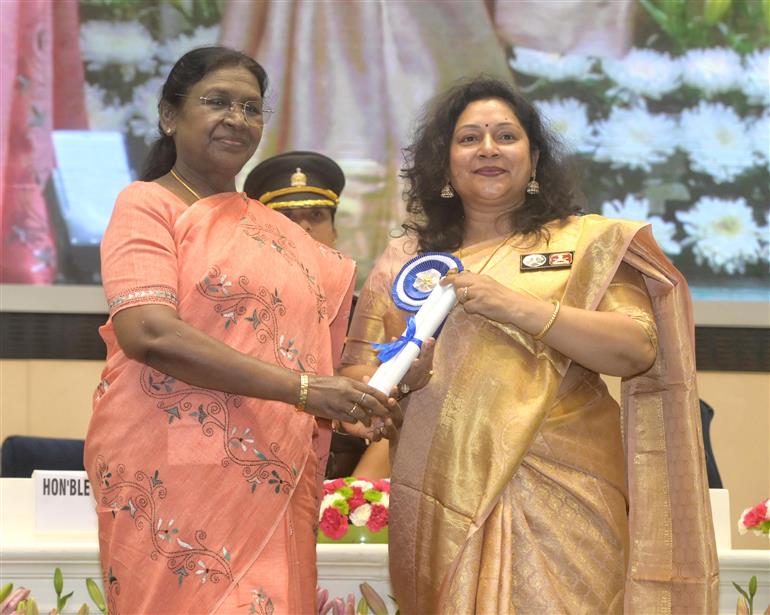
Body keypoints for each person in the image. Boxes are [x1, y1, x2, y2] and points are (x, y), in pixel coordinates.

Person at [340, 77, 718, 614]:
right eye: (469, 138)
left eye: (506, 136)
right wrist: (407, 379)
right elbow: (357, 383)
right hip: (440, 496)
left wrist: (517, 306)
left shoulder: (586, 243)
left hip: (567, 491)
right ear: (444, 165)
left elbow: (637, 349)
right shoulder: (405, 260)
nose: (489, 149)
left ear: (534, 158)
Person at [84, 46, 397, 615]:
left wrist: (357, 394)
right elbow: (148, 333)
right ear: (170, 116)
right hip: (167, 468)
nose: (237, 118)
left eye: (251, 108)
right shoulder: (147, 205)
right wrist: (305, 391)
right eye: (216, 101)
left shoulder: (286, 236)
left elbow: (318, 364)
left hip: (274, 471)